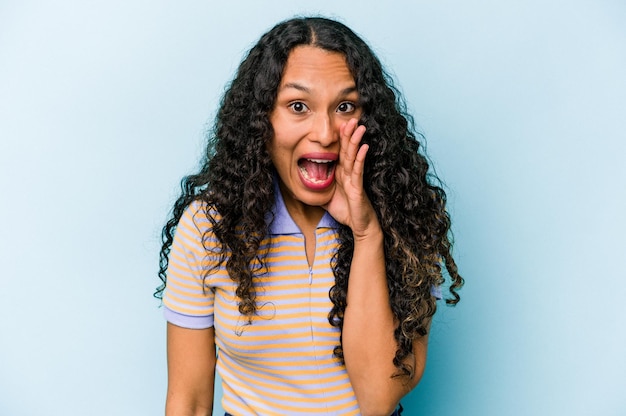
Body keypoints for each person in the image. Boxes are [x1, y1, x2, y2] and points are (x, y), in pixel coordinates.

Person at [155, 16, 463, 416]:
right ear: (261, 119)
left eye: (345, 106)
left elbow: (378, 397)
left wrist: (368, 233)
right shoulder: (208, 228)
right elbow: (190, 402)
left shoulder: (406, 219)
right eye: (298, 106)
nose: (325, 132)